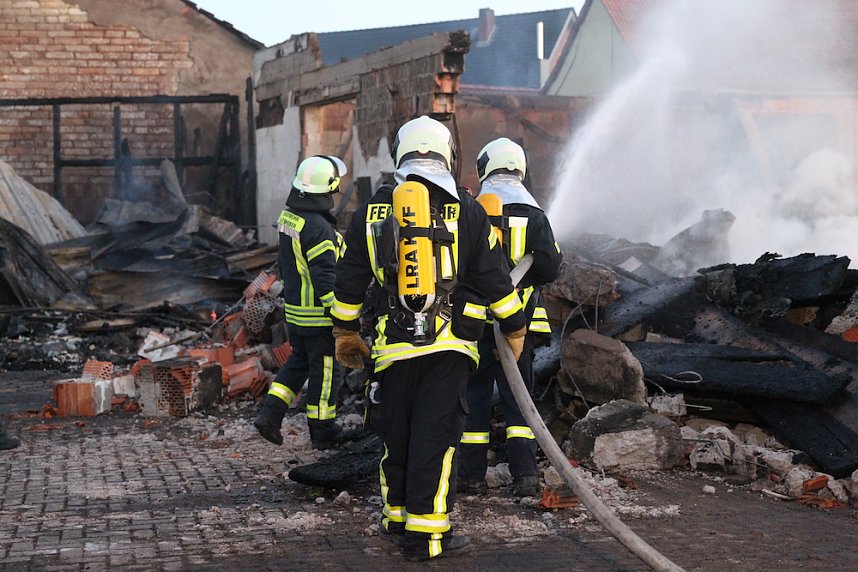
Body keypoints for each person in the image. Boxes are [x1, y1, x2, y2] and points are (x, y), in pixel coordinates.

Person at [330, 116, 527, 562]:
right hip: (448, 347)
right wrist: (514, 328)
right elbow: (496, 281)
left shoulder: (372, 211)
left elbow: (348, 283)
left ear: (400, 154)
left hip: (390, 347)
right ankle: (426, 537)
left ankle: (396, 518)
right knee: (434, 441)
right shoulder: (468, 209)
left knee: (394, 434)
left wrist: (344, 332)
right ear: (446, 155)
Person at [458, 137, 562, 498]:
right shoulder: (535, 215)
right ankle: (525, 476)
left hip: (476, 323)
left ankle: (470, 476)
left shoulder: (472, 210)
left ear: (486, 167)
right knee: (520, 400)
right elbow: (550, 266)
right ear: (520, 168)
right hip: (520, 325)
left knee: (474, 396)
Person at [254, 155, 349, 451]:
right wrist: (341, 314)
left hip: (296, 313)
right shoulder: (318, 227)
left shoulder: (290, 217)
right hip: (319, 317)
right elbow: (324, 275)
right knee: (326, 371)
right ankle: (323, 431)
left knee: (297, 365)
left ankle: (269, 415)